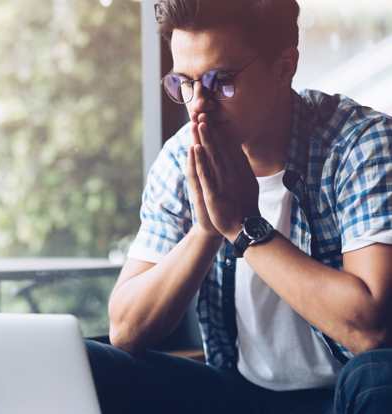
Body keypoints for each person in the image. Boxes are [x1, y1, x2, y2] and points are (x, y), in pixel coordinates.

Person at [86, 0, 392, 413]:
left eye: (222, 82)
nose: (197, 105)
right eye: (185, 83)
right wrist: (207, 230)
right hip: (237, 394)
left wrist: (245, 227)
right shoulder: (181, 159)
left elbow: (370, 330)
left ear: (285, 67)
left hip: (343, 393)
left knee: (378, 379)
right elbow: (126, 330)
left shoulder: (360, 143)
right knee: (92, 365)